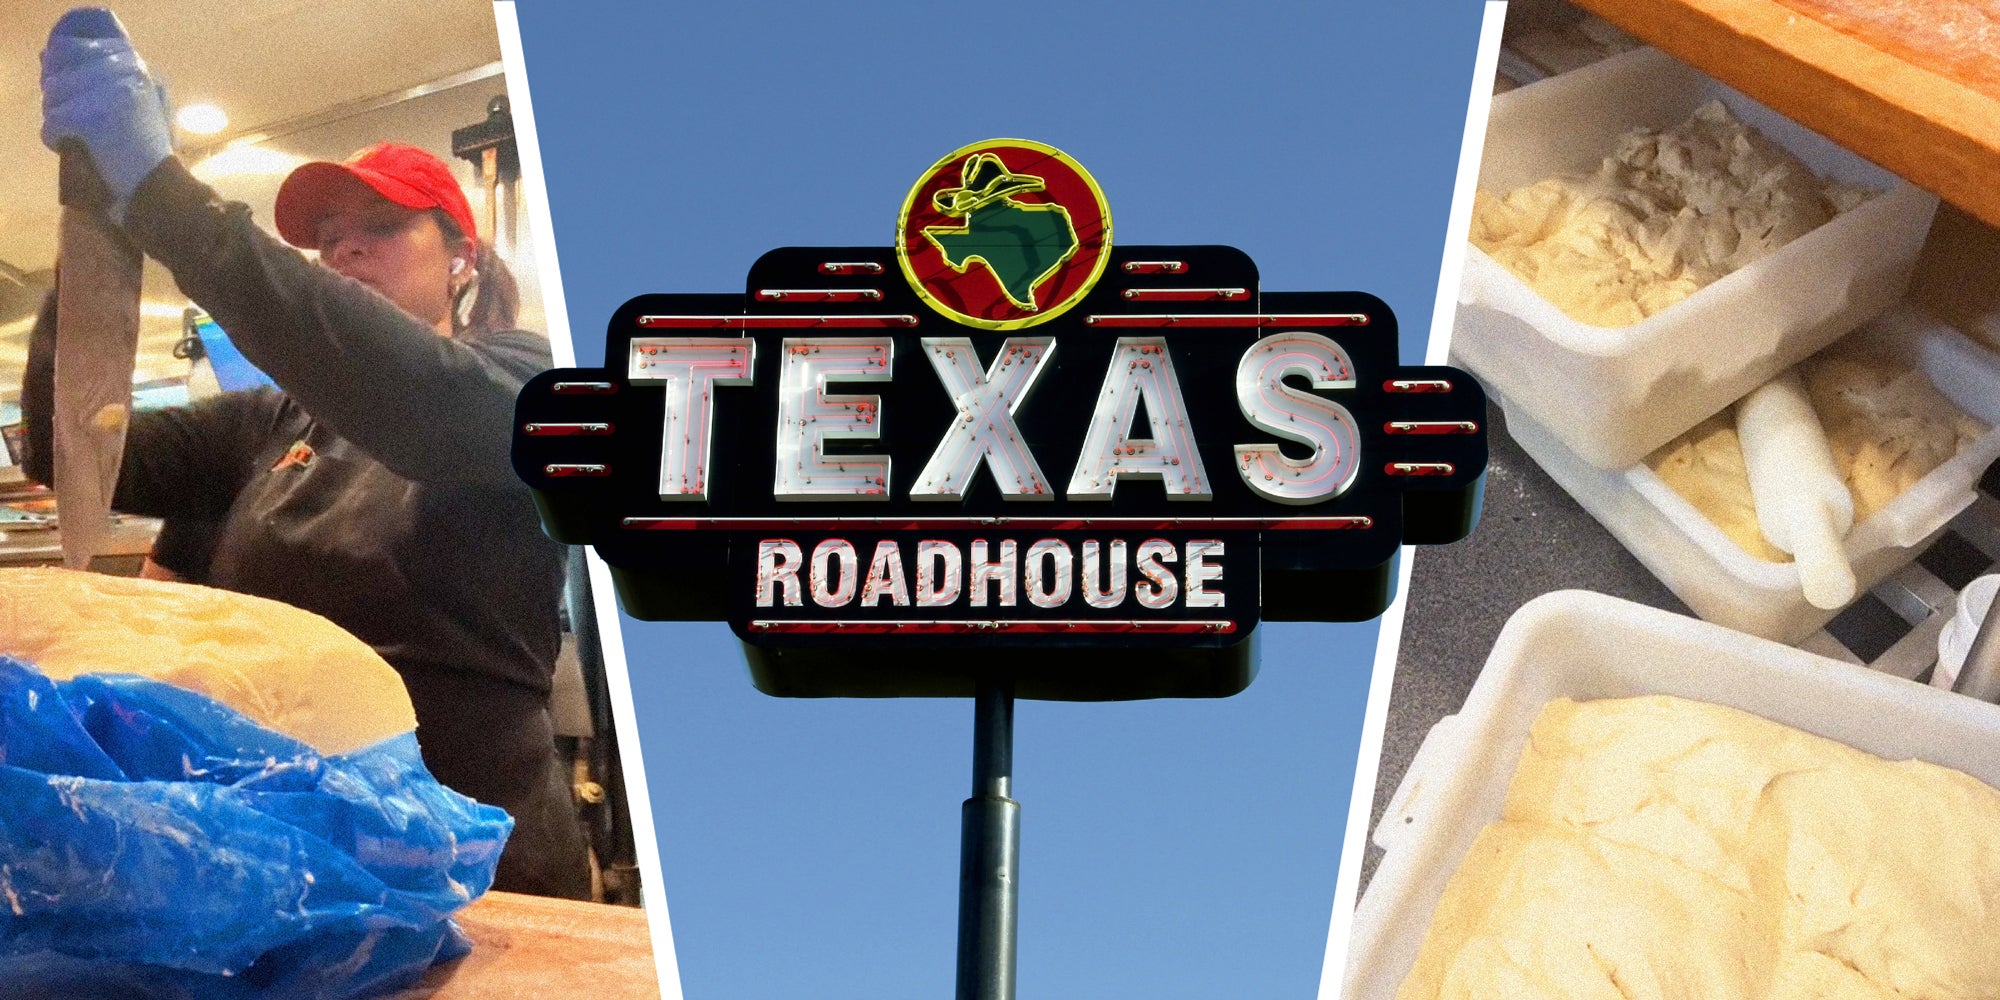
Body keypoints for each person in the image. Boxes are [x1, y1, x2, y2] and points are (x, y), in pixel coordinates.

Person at [28, 8, 591, 900]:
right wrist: (98, 223)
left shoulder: (527, 389)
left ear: (460, 259)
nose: (343, 247)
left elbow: (416, 403)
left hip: (480, 865)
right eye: (328, 237)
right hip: (283, 864)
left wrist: (168, 198)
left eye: (381, 223)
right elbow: (79, 447)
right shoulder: (265, 425)